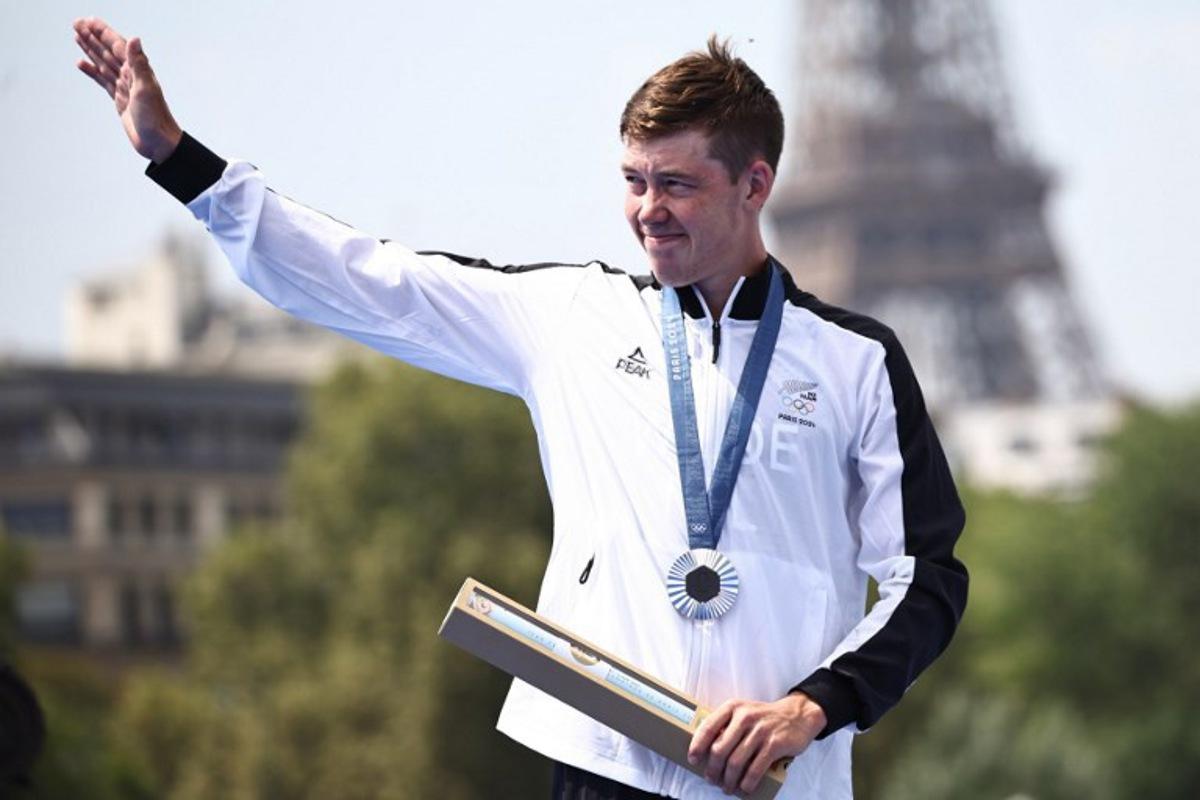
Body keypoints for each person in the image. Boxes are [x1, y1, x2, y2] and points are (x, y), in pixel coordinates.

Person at [73, 17, 967, 800]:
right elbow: (367, 283)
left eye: (677, 185)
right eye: (633, 181)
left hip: (783, 779)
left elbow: (924, 578)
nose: (646, 212)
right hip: (599, 768)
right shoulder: (571, 317)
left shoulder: (856, 361)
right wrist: (180, 161)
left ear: (755, 184)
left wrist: (814, 707)